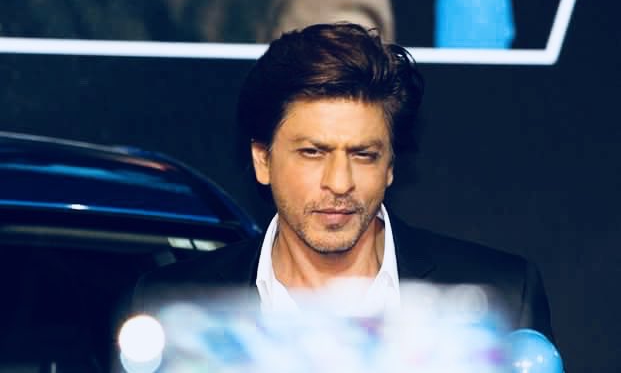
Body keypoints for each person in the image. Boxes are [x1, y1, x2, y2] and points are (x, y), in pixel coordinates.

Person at [132, 22, 553, 339]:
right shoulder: (172, 305)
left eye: (363, 154)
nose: (339, 182)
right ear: (263, 159)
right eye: (313, 152)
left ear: (390, 166)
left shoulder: (501, 297)